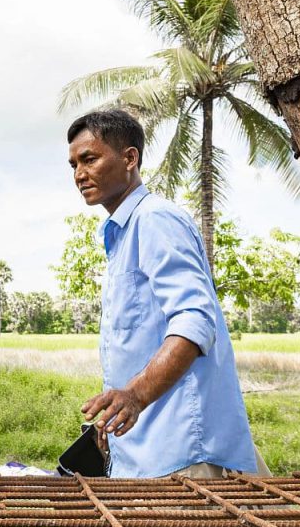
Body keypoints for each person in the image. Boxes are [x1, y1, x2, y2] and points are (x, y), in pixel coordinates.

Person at [67, 108, 269, 479]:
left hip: (182, 451)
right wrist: (118, 410)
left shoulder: (155, 219)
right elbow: (138, 344)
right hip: (148, 449)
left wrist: (135, 396)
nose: (80, 174)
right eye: (74, 165)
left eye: (90, 159)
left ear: (130, 158)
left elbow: (194, 322)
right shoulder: (121, 233)